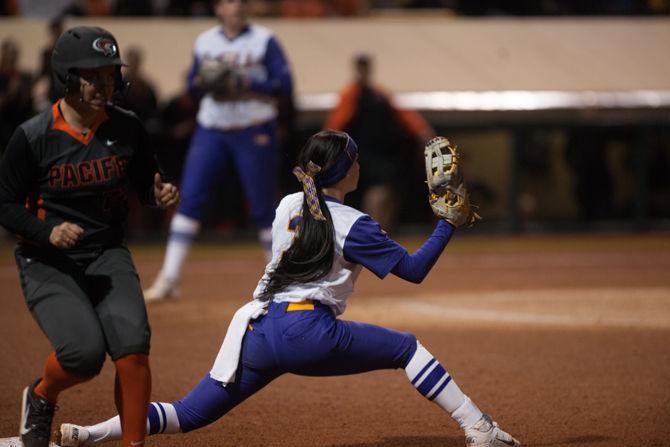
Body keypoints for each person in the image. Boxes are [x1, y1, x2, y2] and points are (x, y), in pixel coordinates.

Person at [53, 130, 520, 447]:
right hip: (308, 331)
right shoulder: (354, 225)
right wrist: (447, 224)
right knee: (408, 349)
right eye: (354, 160)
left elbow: (314, 226)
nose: (360, 165)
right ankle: (477, 427)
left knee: (190, 414)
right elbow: (414, 271)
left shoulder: (287, 205)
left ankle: (89, 435)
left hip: (258, 330)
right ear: (345, 172)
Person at [0, 26, 180, 447]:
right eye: (93, 75)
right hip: (47, 258)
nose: (105, 83)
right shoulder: (33, 136)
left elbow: (144, 185)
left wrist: (158, 194)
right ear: (67, 76)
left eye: (110, 74)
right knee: (83, 356)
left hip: (106, 252)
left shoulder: (128, 127)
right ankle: (42, 395)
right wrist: (47, 231)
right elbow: (5, 203)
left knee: (133, 347)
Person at [143, 0, 294, 301]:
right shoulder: (205, 41)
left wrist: (244, 81)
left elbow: (284, 85)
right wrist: (203, 82)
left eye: (241, 2)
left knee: (263, 207)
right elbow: (190, 87)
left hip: (253, 126)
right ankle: (170, 277)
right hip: (212, 128)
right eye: (229, 1)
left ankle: (282, 279)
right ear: (219, 8)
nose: (236, 6)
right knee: (190, 199)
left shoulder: (263, 39)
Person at [325, 52, 434, 232]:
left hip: (386, 152)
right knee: (379, 190)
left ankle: (382, 232)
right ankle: (371, 232)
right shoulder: (351, 94)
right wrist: (328, 148)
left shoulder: (379, 93)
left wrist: (424, 133)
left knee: (390, 193)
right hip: (365, 153)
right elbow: (335, 123)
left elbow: (405, 115)